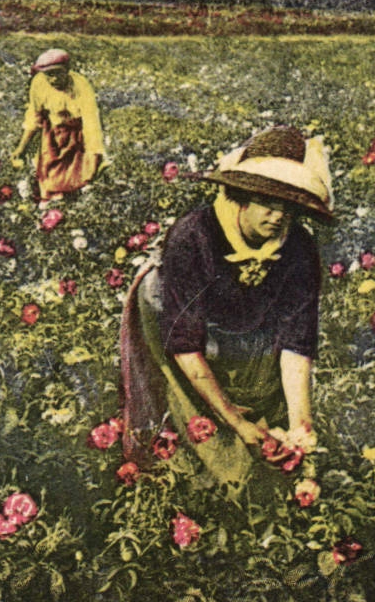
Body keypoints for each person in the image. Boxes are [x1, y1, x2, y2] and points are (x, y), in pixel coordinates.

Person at [118, 125, 332, 486]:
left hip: (247, 327)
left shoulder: (298, 248)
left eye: (288, 208)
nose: (278, 217)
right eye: (267, 203)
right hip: (176, 326)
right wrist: (235, 420)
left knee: (268, 418)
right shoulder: (193, 238)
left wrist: (302, 428)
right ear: (241, 197)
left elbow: (296, 344)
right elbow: (185, 345)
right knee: (197, 428)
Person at [9, 47, 105, 199]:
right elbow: (35, 116)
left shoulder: (80, 86)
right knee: (49, 172)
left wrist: (94, 154)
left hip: (76, 136)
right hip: (52, 134)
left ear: (67, 70)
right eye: (49, 75)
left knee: (78, 174)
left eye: (58, 73)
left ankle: (71, 203)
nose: (53, 79)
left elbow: (91, 122)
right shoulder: (39, 84)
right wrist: (21, 148)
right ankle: (49, 205)